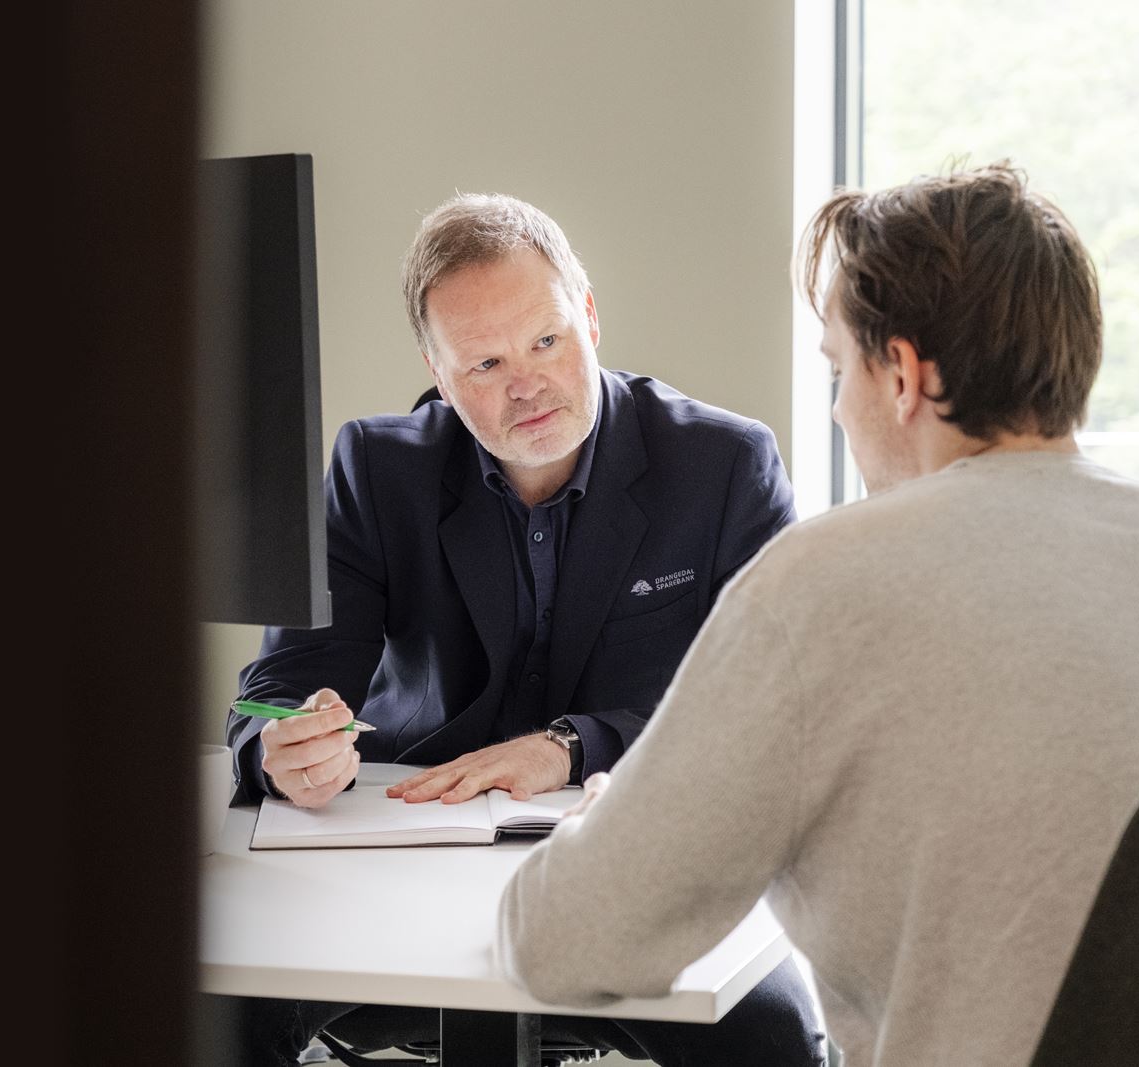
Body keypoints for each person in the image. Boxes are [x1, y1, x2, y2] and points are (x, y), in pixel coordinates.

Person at [496, 162, 1139, 1066]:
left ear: (905, 376)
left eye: (840, 370)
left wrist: (607, 822)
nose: (839, 408)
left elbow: (560, 943)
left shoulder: (819, 585)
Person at [223, 193, 824, 1065]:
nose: (526, 385)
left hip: (637, 866)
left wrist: (572, 745)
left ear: (589, 314)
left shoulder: (725, 465)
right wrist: (280, 750)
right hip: (405, 859)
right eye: (485, 362)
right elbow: (279, 688)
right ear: (437, 371)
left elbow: (778, 716)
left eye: (546, 340)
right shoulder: (377, 468)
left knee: (777, 1041)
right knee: (208, 1017)